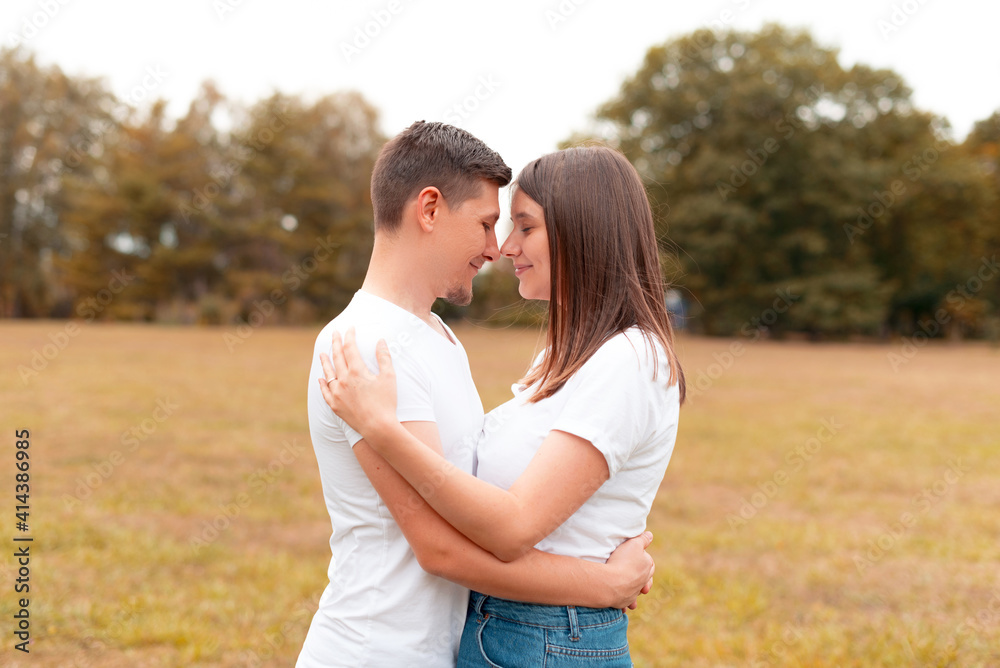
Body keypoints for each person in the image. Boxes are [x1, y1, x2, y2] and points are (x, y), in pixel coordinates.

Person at [296, 123, 657, 668]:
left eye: (511, 227)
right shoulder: (371, 345)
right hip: (377, 651)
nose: (497, 248)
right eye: (488, 224)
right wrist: (600, 583)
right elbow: (439, 548)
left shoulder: (438, 337)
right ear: (430, 209)